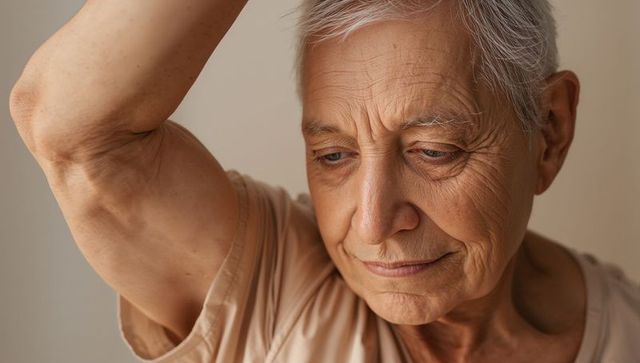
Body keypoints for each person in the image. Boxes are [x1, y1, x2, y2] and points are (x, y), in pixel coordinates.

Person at [8, 0, 639, 362]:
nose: (371, 222)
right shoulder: (274, 288)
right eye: (334, 156)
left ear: (549, 130)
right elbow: (73, 128)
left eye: (433, 150)